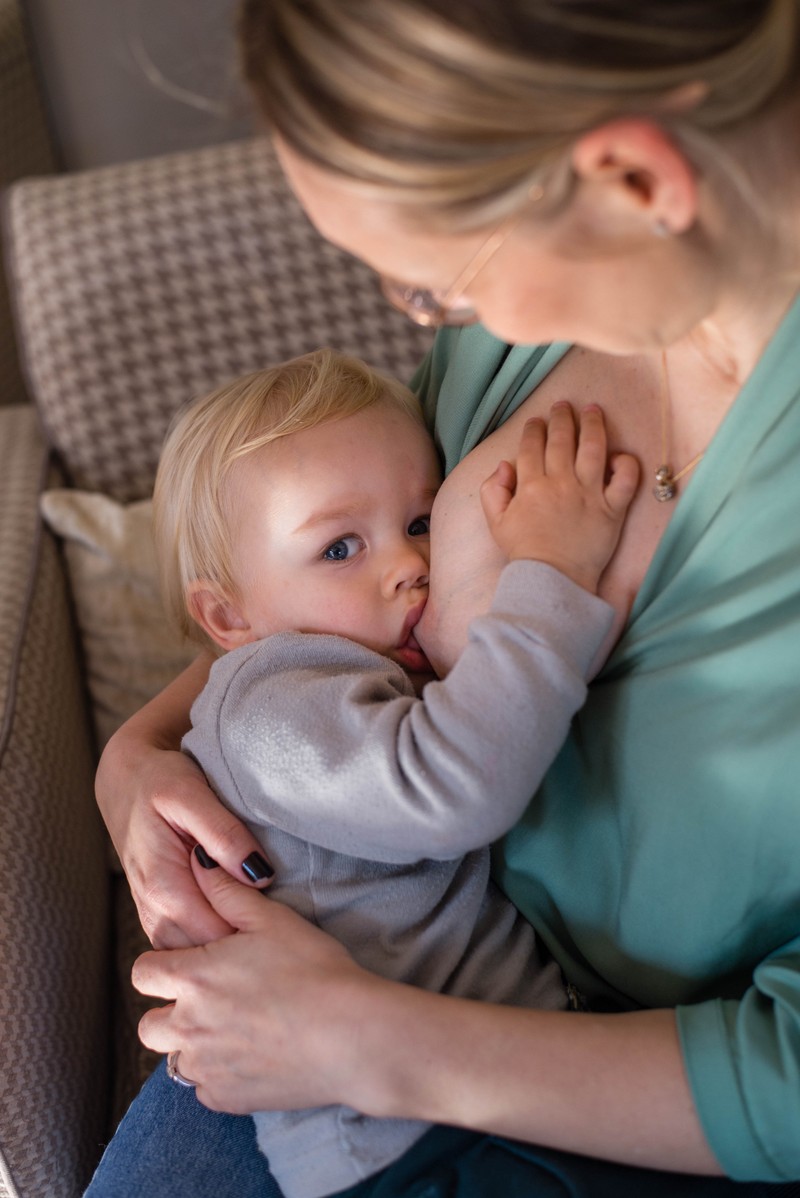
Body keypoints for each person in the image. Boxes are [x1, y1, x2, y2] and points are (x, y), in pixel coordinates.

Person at [93, 1, 800, 1194]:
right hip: (335, 1006)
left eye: (435, 282)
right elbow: (331, 607)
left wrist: (378, 1044)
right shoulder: (522, 347)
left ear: (629, 179)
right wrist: (140, 748)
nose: (432, 321)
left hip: (627, 1100)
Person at [134, 345, 633, 1198]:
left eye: (421, 521)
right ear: (228, 614)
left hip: (472, 1093)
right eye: (339, 549)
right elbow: (451, 791)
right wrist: (549, 579)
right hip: (402, 1146)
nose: (411, 566)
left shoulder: (351, 673)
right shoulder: (268, 711)